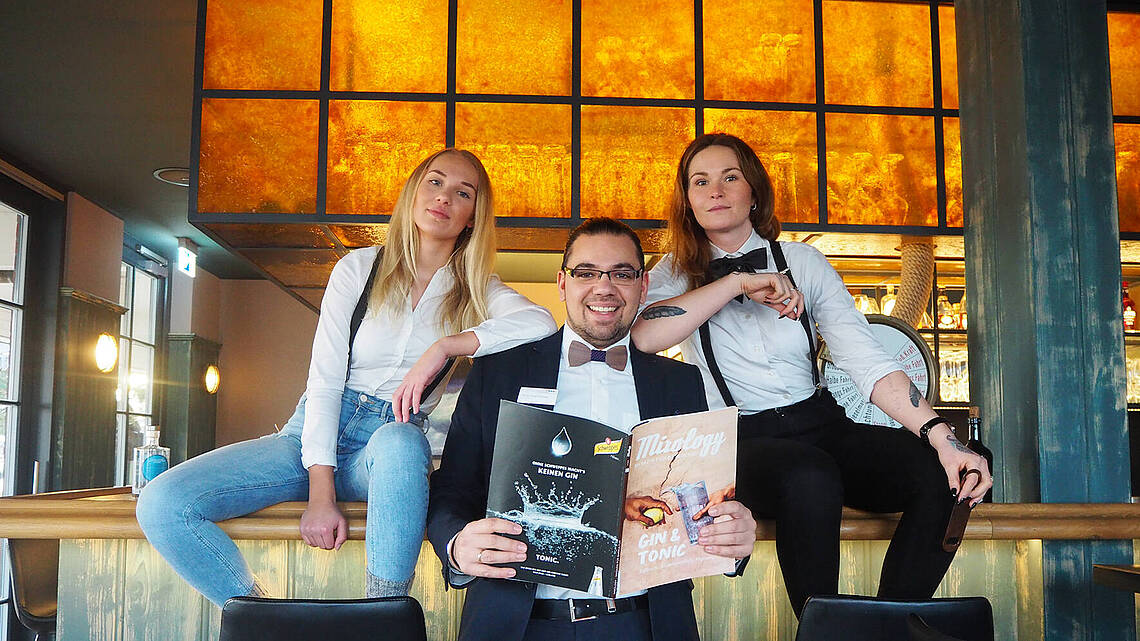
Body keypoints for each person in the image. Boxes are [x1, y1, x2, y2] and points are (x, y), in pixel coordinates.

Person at [136, 149, 557, 607]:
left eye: (463, 193)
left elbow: (540, 323)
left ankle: (382, 617)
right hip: (308, 439)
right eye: (435, 182)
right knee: (162, 503)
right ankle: (262, 620)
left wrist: (448, 345)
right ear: (414, 192)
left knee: (401, 440)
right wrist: (322, 493)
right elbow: (325, 382)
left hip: (385, 450)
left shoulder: (475, 289)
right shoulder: (359, 267)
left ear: (473, 216)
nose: (444, 198)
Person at [630, 133, 994, 617]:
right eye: (700, 182)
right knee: (809, 475)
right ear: (688, 202)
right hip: (742, 440)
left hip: (821, 424)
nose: (715, 190)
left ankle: (891, 622)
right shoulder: (675, 272)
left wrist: (943, 439)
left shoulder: (803, 262)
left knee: (945, 468)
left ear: (753, 192)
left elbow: (865, 359)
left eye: (730, 177)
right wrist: (736, 282)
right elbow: (643, 336)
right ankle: (826, 628)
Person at [426, 217, 757, 641]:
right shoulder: (498, 372)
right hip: (517, 624)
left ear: (643, 285)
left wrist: (733, 535)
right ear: (562, 283)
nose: (604, 287)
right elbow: (452, 487)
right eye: (586, 273)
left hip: (647, 623)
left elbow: (703, 498)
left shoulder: (680, 382)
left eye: (622, 274)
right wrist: (457, 544)